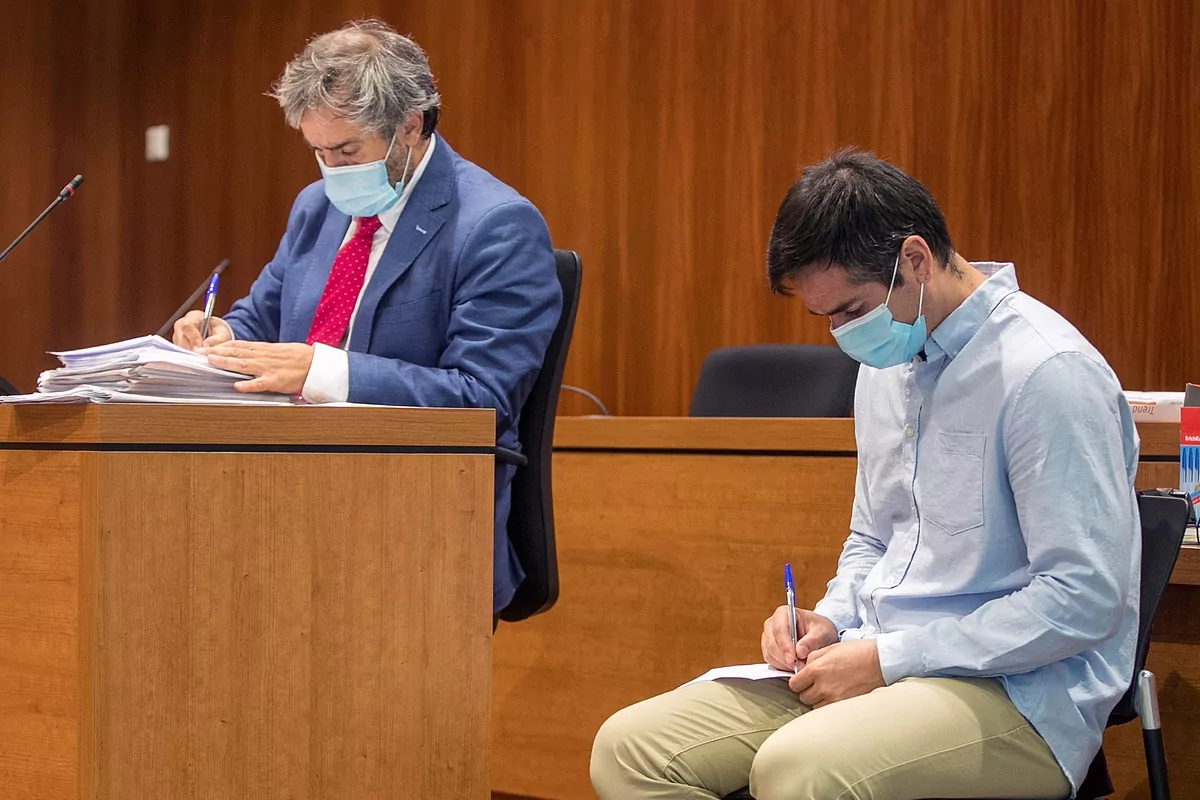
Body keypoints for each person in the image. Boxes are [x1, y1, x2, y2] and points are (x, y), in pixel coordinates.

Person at [590, 149, 1140, 799]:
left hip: (1019, 693)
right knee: (630, 750)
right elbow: (874, 540)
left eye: (852, 311)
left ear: (915, 260)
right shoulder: (886, 368)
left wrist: (888, 659)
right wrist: (827, 618)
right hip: (874, 654)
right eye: (825, 318)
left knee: (800, 766)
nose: (841, 334)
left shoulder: (1046, 372)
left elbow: (1082, 598)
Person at [172, 20, 562, 615]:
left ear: (410, 125)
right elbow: (262, 317)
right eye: (318, 152)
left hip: (416, 518)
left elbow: (482, 399)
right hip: (280, 491)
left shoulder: (496, 225)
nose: (332, 170)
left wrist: (321, 371)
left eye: (347, 151)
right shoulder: (317, 207)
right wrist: (222, 334)